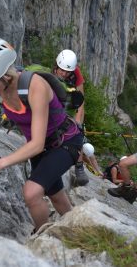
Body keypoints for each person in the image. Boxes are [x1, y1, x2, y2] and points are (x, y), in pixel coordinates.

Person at [0, 37, 83, 233]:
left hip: (65, 141)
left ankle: (42, 236)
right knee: (56, 196)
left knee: (31, 193)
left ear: (6, 74)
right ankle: (78, 231)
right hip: (42, 148)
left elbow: (36, 143)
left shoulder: (35, 86)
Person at [53, 49, 90, 186]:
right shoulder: (50, 72)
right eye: (61, 70)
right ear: (57, 66)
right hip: (54, 102)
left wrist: (78, 120)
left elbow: (81, 100)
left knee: (78, 132)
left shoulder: (75, 74)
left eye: (67, 72)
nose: (64, 73)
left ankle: (79, 166)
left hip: (70, 101)